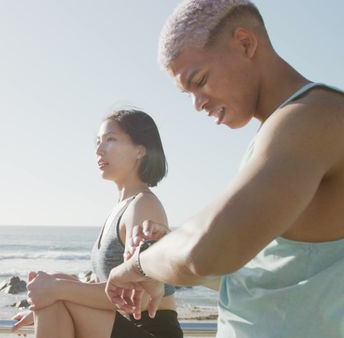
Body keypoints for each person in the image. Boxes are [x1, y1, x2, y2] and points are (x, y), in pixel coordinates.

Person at [105, 1, 344, 337]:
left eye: (199, 80)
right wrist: (163, 263)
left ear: (245, 43)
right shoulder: (279, 134)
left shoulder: (310, 119)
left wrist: (138, 264)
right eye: (187, 93)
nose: (197, 103)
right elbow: (265, 274)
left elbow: (204, 255)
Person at [12, 109, 183, 338]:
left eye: (111, 140)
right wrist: (50, 298)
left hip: (151, 332)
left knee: (57, 288)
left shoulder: (144, 206)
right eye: (98, 141)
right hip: (120, 328)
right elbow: (103, 286)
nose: (99, 149)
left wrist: (57, 291)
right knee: (55, 282)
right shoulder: (120, 208)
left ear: (140, 150)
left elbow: (142, 298)